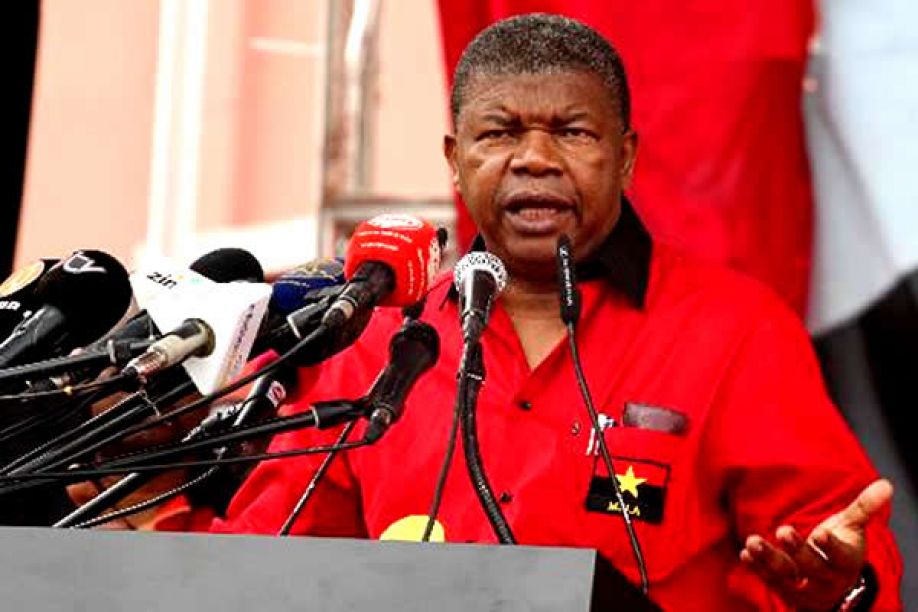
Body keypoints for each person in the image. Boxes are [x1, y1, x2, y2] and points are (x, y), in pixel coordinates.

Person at [199, 14, 902, 610]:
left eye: (573, 132)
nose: (534, 158)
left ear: (625, 157)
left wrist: (841, 584)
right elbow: (265, 564)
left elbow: (834, 542)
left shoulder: (736, 329)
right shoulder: (377, 338)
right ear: (454, 159)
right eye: (499, 134)